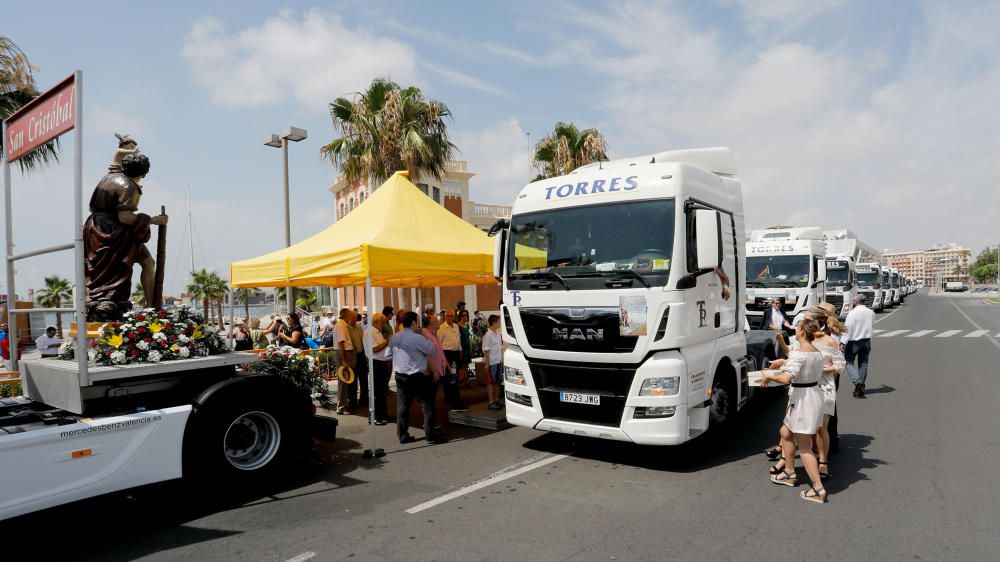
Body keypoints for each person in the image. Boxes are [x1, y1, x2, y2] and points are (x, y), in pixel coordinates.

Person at [84, 145, 169, 321]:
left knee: (143, 263)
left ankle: (150, 304)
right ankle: (151, 305)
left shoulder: (112, 175)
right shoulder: (130, 187)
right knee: (145, 262)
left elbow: (116, 156)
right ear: (144, 173)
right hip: (113, 232)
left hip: (94, 227)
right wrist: (153, 220)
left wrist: (128, 150)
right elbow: (125, 217)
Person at [760, 318, 828, 504]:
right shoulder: (815, 351)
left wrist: (767, 375)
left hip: (802, 399)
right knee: (785, 432)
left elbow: (786, 378)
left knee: (805, 447)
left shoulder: (800, 354)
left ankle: (818, 488)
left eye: (797, 328)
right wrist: (783, 363)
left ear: (801, 333)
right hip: (812, 394)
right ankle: (789, 472)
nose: (795, 330)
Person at [386, 312, 446, 444]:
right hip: (417, 376)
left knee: (403, 406)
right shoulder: (417, 338)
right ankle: (431, 435)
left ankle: (402, 435)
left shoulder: (396, 337)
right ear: (413, 322)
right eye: (417, 321)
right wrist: (424, 336)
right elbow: (431, 350)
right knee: (428, 405)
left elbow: (388, 355)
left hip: (400, 376)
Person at [810, 303, 847, 473]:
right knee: (825, 417)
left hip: (827, 380)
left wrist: (826, 373)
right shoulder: (821, 332)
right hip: (820, 380)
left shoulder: (832, 337)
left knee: (825, 418)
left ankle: (825, 450)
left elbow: (838, 363)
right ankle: (824, 447)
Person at [841, 294, 876, 398]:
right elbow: (873, 325)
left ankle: (857, 383)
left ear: (855, 301)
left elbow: (847, 329)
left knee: (848, 361)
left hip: (853, 342)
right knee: (863, 364)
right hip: (866, 341)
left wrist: (843, 342)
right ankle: (861, 385)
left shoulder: (852, 313)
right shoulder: (871, 312)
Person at [437, 310, 468, 411]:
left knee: (454, 376)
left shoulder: (455, 326)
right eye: (448, 316)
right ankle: (453, 399)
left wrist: (460, 352)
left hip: (455, 354)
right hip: (447, 355)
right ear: (445, 317)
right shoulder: (442, 328)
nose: (450, 317)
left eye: (451, 316)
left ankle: (452, 397)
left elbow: (458, 341)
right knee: (449, 377)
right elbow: (439, 344)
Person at [364, 313, 391, 425]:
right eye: (383, 321)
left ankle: (382, 414)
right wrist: (387, 342)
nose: (385, 324)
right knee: (377, 391)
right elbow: (374, 349)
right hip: (376, 364)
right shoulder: (370, 332)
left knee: (382, 391)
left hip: (381, 363)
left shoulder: (377, 331)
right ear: (377, 321)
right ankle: (374, 417)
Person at [334, 308, 358, 414]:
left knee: (345, 380)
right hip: (343, 354)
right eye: (351, 316)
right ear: (346, 316)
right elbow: (341, 343)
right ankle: (342, 406)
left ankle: (344, 405)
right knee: (343, 380)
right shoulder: (341, 325)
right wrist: (345, 359)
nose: (353, 318)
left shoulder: (342, 324)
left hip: (345, 354)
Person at [483, 314, 504, 410]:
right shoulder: (488, 335)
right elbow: (486, 350)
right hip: (491, 362)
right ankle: (491, 402)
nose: (500, 323)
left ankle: (496, 400)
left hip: (498, 360)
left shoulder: (497, 333)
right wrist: (487, 364)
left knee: (497, 381)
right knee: (491, 382)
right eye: (499, 322)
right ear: (494, 322)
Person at [457, 310, 473, 385]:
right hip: (461, 349)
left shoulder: (467, 326)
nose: (465, 317)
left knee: (466, 365)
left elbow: (468, 338)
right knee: (461, 366)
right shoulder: (457, 326)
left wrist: (470, 348)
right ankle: (461, 383)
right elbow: (457, 339)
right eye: (463, 315)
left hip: (467, 349)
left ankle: (466, 382)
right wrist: (460, 350)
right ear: (460, 316)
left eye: (466, 315)